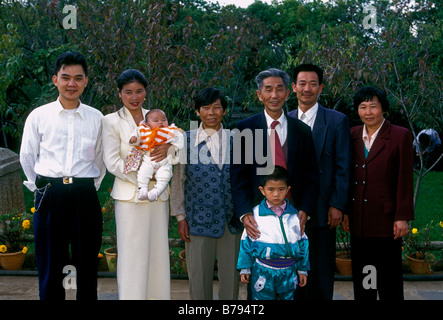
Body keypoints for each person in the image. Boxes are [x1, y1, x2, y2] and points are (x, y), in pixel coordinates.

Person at [20, 51, 105, 300]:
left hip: (84, 195)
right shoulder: (39, 116)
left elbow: (100, 158)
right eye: (65, 77)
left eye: (78, 78)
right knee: (50, 265)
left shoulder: (96, 118)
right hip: (49, 194)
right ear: (55, 79)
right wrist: (40, 188)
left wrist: (89, 186)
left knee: (87, 266)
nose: (72, 84)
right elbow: (27, 156)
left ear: (86, 81)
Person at [101, 69, 175, 299]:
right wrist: (143, 177)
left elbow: (173, 146)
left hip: (157, 196)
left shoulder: (157, 116)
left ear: (146, 92)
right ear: (119, 93)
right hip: (129, 197)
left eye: (139, 91)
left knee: (158, 254)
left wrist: (167, 154)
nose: (134, 97)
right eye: (128, 92)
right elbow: (112, 162)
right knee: (132, 255)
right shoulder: (110, 121)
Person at [342, 86, 414, 300]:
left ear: (383, 108)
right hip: (359, 220)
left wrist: (402, 216)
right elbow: (344, 174)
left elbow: (405, 178)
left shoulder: (400, 136)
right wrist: (345, 210)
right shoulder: (352, 135)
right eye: (363, 107)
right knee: (366, 276)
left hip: (387, 222)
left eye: (373, 106)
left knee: (388, 277)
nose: (368, 112)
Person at [170, 87, 243, 300]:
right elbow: (178, 181)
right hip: (197, 221)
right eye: (206, 108)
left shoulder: (236, 139)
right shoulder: (185, 140)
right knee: (199, 281)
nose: (211, 113)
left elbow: (244, 181)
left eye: (217, 108)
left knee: (231, 281)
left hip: (232, 222)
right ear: (197, 112)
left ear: (224, 111)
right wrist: (180, 217)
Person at [230, 68, 318, 241]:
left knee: (293, 263)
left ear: (287, 93)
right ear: (259, 94)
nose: (274, 95)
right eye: (268, 89)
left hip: (294, 212)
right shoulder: (245, 128)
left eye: (279, 89)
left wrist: (305, 210)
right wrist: (244, 212)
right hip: (256, 214)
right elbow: (238, 176)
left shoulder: (302, 130)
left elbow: (311, 176)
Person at [287, 64, 351, 300]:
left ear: (321, 88)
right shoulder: (284, 120)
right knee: (292, 274)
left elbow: (343, 167)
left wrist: (338, 205)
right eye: (302, 83)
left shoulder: (336, 121)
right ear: (293, 87)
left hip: (325, 210)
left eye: (313, 84)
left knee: (322, 273)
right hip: (290, 210)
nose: (307, 89)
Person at [237, 166, 309, 300]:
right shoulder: (255, 215)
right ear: (262, 190)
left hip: (288, 272)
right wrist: (245, 267)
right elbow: (246, 241)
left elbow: (303, 243)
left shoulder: (295, 216)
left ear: (288, 190)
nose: (276, 194)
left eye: (281, 189)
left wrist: (302, 269)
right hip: (263, 273)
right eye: (271, 189)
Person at [124, 108, 184, 201]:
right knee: (143, 173)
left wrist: (171, 146)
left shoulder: (171, 130)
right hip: (149, 159)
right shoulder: (144, 130)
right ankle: (143, 190)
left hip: (165, 161)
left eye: (164, 120)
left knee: (165, 176)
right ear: (148, 124)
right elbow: (137, 135)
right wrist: (134, 139)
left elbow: (179, 139)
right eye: (156, 121)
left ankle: (155, 192)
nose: (160, 122)